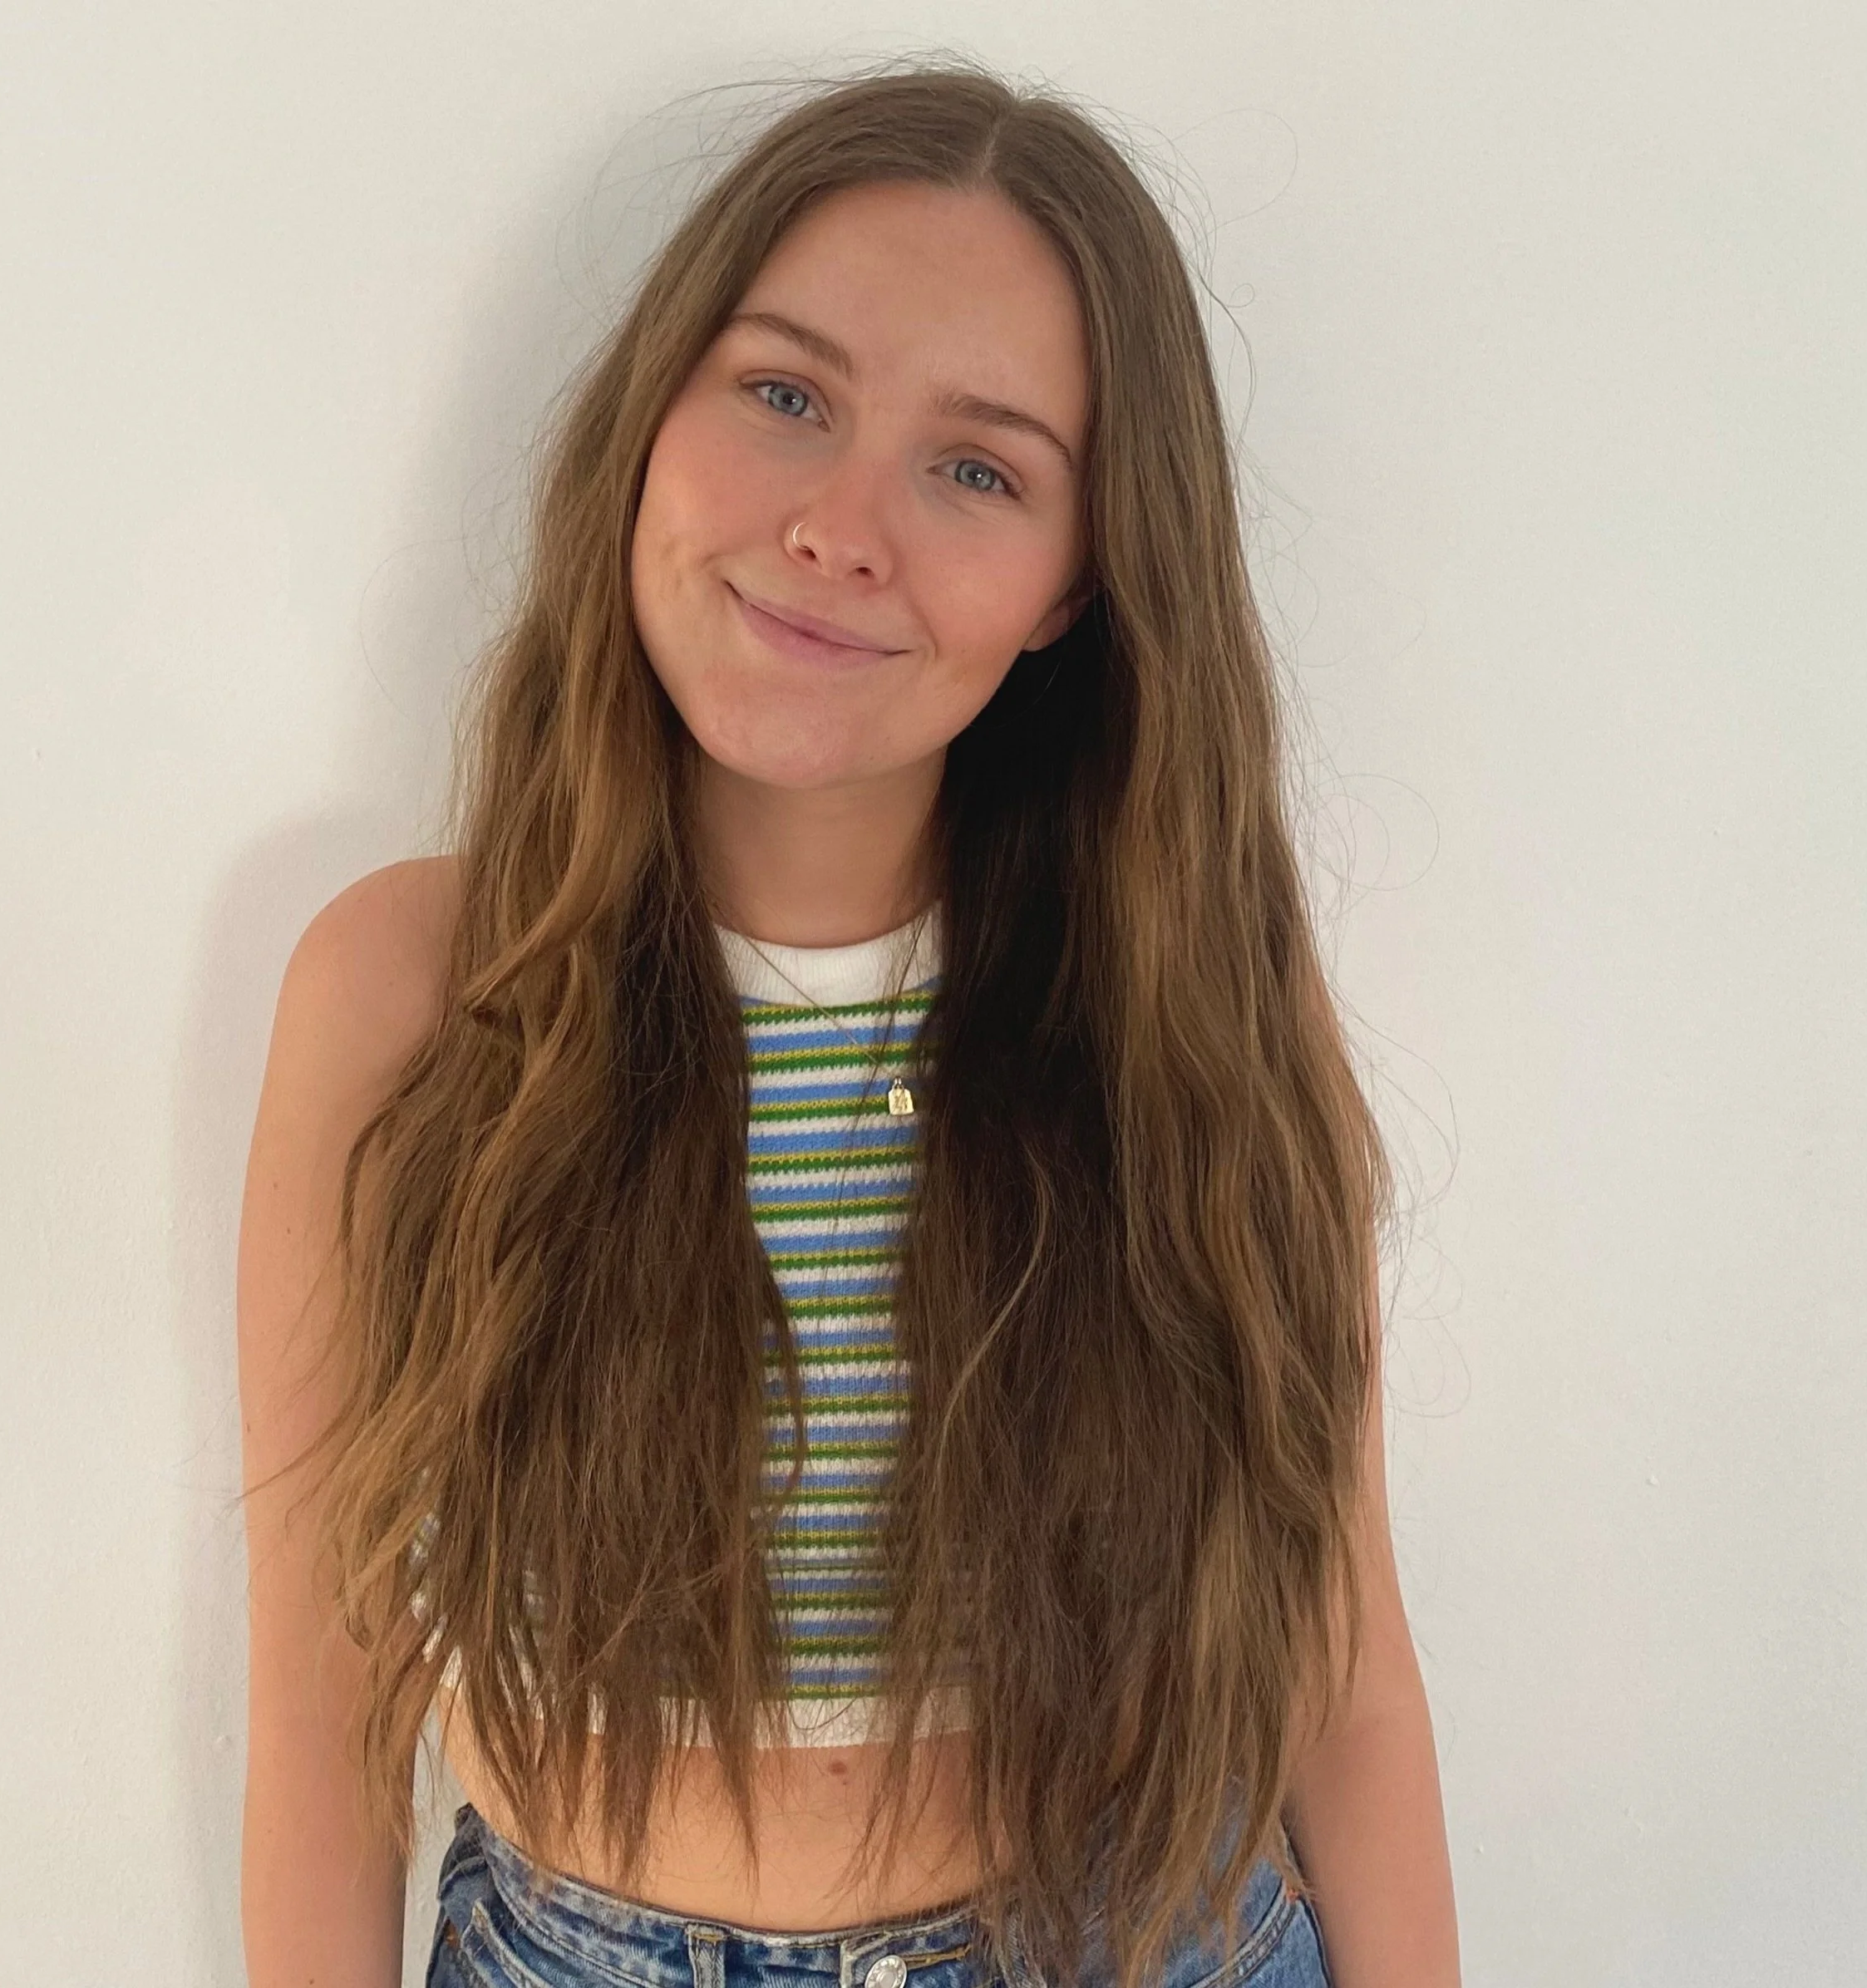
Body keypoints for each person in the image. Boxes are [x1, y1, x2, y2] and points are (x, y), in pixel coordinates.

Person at [236, 61, 1462, 1988]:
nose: (836, 526)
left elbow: (1341, 1672)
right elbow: (321, 1701)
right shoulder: (410, 989)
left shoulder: (1191, 986)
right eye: (785, 393)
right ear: (653, 413)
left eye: (975, 467)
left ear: (1077, 580)